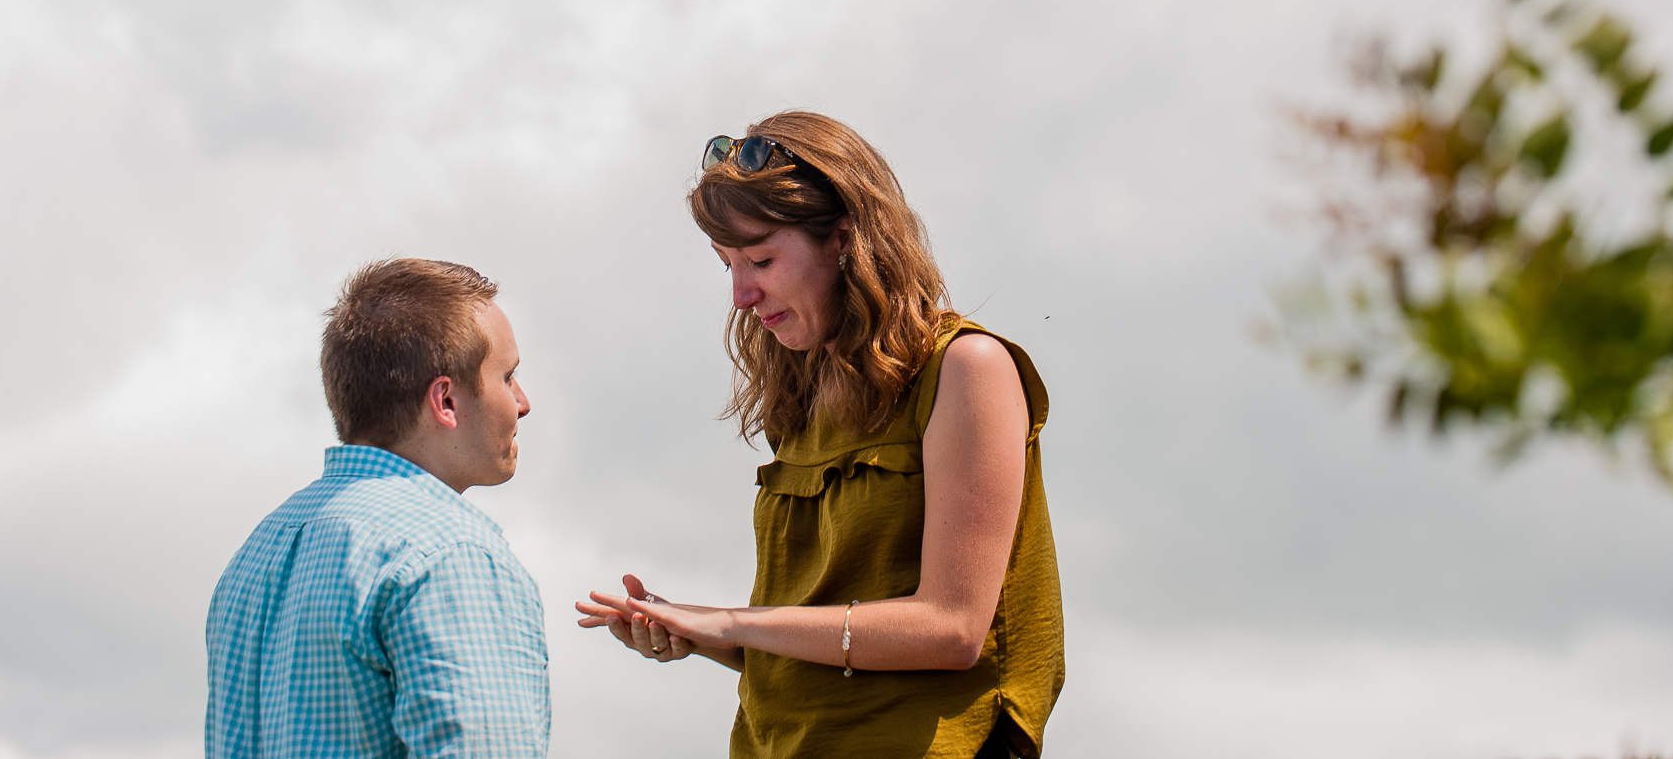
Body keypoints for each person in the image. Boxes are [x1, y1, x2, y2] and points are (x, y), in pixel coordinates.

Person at [576, 112, 1064, 759]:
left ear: (844, 239)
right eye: (727, 264)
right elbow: (826, 638)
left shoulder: (968, 367)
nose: (742, 293)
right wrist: (694, 628)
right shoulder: (803, 400)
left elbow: (951, 628)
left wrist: (730, 620)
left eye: (761, 258)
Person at [207, 258, 550, 759]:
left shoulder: (256, 556)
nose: (522, 403)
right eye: (507, 376)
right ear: (446, 401)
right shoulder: (451, 555)